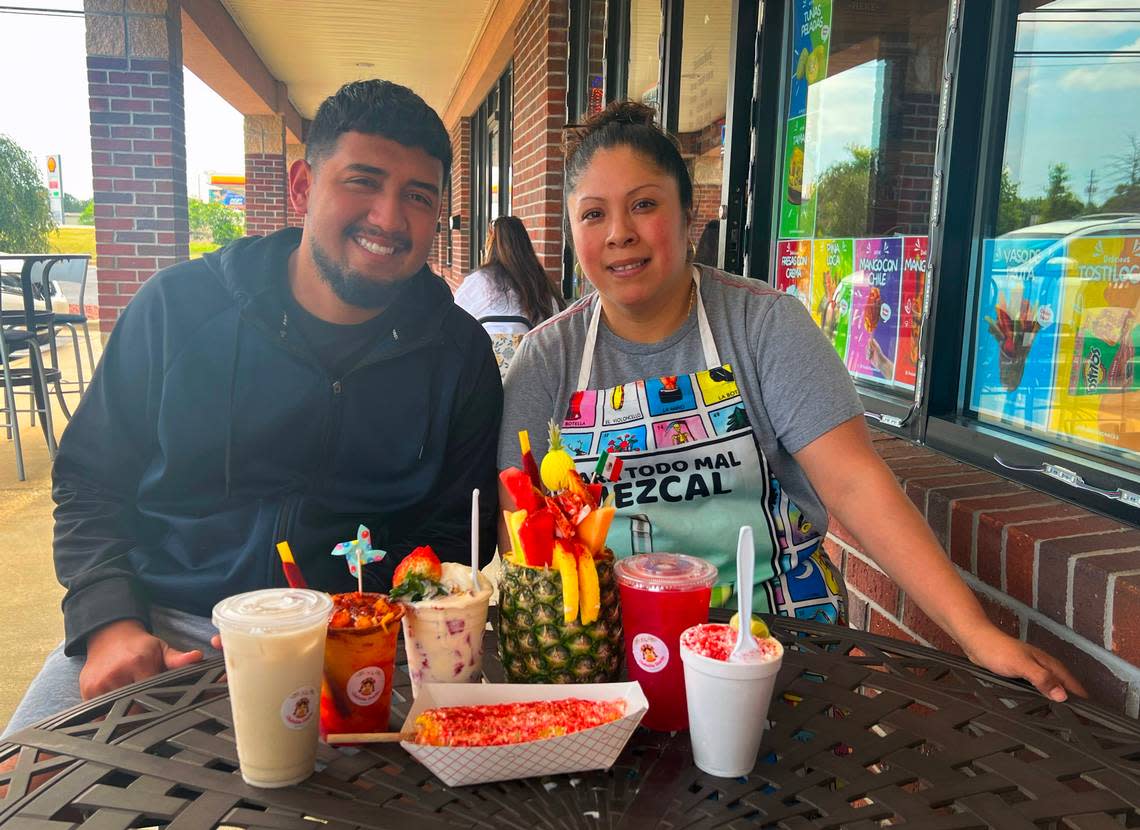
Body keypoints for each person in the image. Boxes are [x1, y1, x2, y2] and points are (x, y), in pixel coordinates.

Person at [498, 100, 1084, 702]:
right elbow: (515, 530)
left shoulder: (764, 326)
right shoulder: (548, 358)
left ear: (688, 213)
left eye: (644, 204)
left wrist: (973, 632)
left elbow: (853, 481)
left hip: (779, 647)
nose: (619, 231)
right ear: (572, 233)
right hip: (613, 654)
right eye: (593, 214)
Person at [4, 80, 502, 736]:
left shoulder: (459, 354)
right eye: (363, 181)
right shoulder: (177, 310)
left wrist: (373, 625)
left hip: (361, 636)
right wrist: (109, 623)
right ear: (302, 188)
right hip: (167, 625)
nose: (389, 217)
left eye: (418, 196)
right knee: (27, 796)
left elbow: (452, 535)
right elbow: (90, 483)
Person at [454, 215, 566, 375]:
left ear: (491, 244)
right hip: (531, 380)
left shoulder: (478, 281)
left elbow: (455, 321)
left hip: (482, 378)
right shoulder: (540, 283)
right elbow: (557, 329)